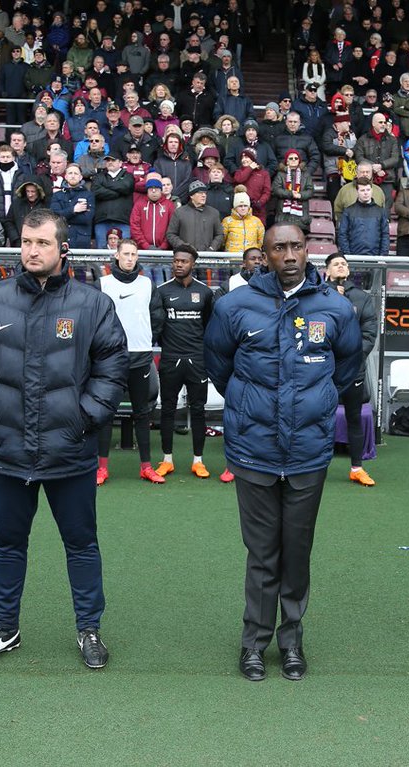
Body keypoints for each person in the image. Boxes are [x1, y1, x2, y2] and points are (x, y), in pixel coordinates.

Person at [0, 208, 128, 670]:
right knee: (8, 543)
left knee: (82, 544)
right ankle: (3, 629)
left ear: (62, 249)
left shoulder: (92, 304)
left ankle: (89, 630)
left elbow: (112, 369)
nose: (32, 251)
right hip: (8, 448)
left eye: (42, 243)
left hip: (69, 450)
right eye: (26, 243)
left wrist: (83, 419)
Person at [204, 222, 362, 682]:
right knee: (261, 553)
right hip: (253, 451)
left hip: (308, 453)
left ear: (307, 249)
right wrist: (253, 405)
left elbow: (347, 367)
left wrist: (316, 403)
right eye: (279, 248)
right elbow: (220, 365)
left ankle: (291, 641)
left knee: (297, 550)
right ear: (264, 254)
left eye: (296, 246)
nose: (289, 255)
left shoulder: (335, 308)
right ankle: (254, 643)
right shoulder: (235, 305)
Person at [97, 239, 164, 486]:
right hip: (111, 358)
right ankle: (101, 468)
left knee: (142, 413)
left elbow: (157, 317)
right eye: (125, 253)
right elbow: (94, 319)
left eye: (134, 254)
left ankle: (146, 466)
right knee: (105, 413)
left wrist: (145, 338)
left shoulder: (147, 284)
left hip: (141, 356)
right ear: (116, 256)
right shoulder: (103, 283)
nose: (129, 258)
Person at [150, 245, 216, 479]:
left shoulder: (205, 292)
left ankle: (198, 461)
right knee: (167, 409)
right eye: (176, 261)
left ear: (193, 264)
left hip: (197, 359)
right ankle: (167, 459)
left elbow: (209, 326)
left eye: (184, 261)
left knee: (198, 410)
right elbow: (156, 325)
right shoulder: (161, 291)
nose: (179, 264)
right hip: (170, 359)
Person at [323, 252, 377, 486]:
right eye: (336, 264)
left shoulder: (362, 298)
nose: (341, 266)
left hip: (353, 370)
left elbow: (369, 334)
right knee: (319, 420)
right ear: (327, 271)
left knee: (354, 419)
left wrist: (349, 358)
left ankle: (356, 468)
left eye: (344, 264)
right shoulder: (318, 295)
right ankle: (315, 468)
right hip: (324, 372)